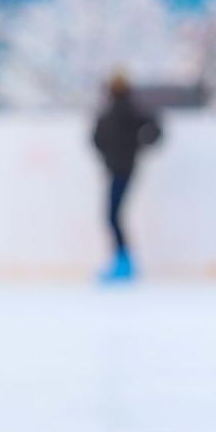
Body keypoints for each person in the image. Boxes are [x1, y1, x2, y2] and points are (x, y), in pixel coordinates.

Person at [91, 72, 162, 282]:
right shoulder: (113, 111)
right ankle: (122, 260)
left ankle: (124, 262)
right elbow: (96, 138)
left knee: (113, 215)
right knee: (113, 216)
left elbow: (154, 130)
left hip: (123, 169)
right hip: (118, 168)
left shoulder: (129, 110)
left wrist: (138, 146)